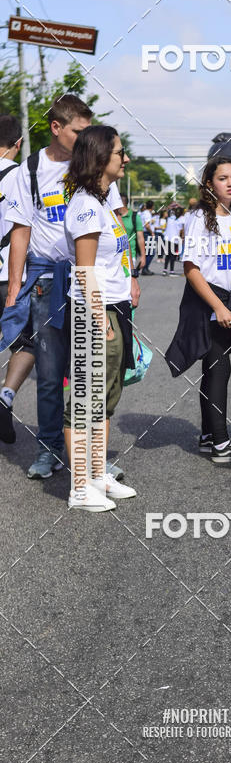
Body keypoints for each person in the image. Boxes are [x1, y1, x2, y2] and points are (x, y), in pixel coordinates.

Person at [1, 95, 95, 478]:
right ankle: (50, 449)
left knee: (91, 372)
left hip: (89, 280)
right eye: (79, 131)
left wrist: (131, 277)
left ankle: (92, 454)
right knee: (51, 373)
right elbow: (20, 233)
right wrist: (13, 292)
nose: (86, 139)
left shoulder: (94, 163)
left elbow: (116, 224)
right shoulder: (31, 170)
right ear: (57, 128)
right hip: (43, 283)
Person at [63, 125, 136, 511]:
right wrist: (97, 318)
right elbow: (85, 270)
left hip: (114, 306)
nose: (124, 158)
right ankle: (79, 487)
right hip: (95, 309)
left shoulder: (104, 199)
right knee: (84, 400)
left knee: (104, 398)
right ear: (99, 157)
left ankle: (96, 474)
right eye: (119, 152)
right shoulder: (87, 205)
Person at [165, 157, 231, 463]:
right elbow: (191, 269)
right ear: (209, 184)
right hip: (210, 300)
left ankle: (208, 436)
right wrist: (217, 306)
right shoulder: (199, 218)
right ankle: (221, 444)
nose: (230, 183)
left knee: (217, 365)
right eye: (222, 178)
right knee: (219, 366)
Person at [0, 114, 35, 444]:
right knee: (27, 341)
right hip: (11, 274)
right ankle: (7, 395)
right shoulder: (22, 177)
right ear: (18, 143)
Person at [120, 193, 146, 274]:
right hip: (113, 257)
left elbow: (140, 238)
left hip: (130, 256)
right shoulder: (112, 216)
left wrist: (143, 256)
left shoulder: (134, 217)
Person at [163, 207, 183, 275]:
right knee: (172, 256)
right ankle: (171, 271)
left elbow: (167, 212)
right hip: (174, 240)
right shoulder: (180, 220)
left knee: (168, 255)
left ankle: (165, 270)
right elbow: (181, 231)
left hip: (167, 239)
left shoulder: (169, 219)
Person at [141, 200, 156, 274]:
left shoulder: (143, 213)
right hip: (147, 234)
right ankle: (145, 268)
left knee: (148, 252)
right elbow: (147, 225)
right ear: (152, 206)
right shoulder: (147, 214)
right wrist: (152, 232)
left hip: (144, 233)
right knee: (151, 252)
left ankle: (145, 268)